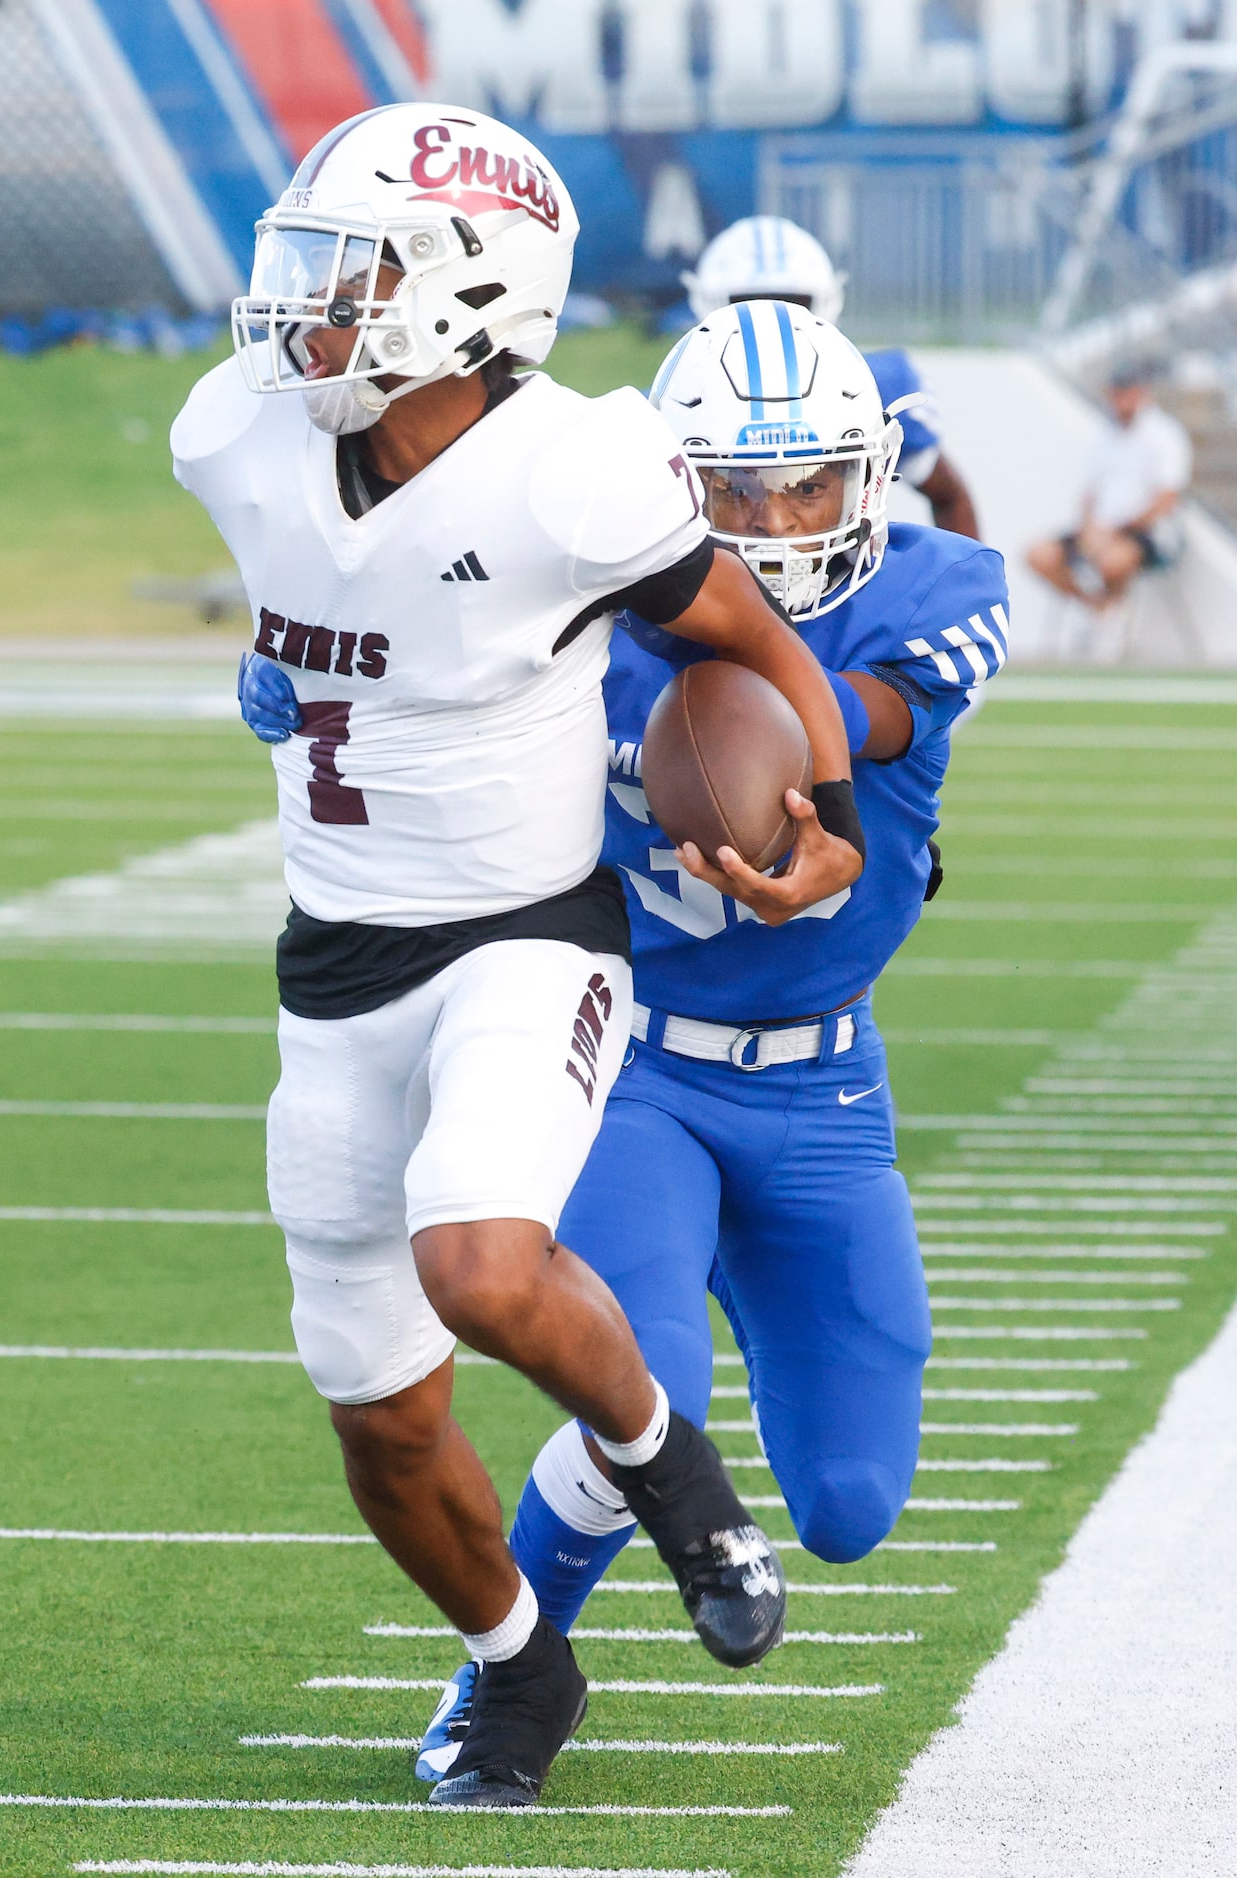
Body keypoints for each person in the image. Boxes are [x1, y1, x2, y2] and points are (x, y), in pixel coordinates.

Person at [172, 107, 864, 1810]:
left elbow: (742, 627)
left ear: (467, 295)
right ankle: (516, 1664)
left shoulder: (573, 468)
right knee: (383, 1426)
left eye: (350, 276)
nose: (301, 313)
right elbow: (335, 589)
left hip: (527, 933)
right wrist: (281, 665)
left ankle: (667, 1465)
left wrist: (827, 803)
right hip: (333, 957)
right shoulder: (237, 435)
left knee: (481, 1263)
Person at [416, 297, 1009, 1783]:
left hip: (825, 1085)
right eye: (732, 487)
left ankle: (745, 1269)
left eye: (806, 479)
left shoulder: (934, 591)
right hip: (639, 1067)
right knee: (643, 1401)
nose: (771, 516)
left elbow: (850, 710)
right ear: (674, 487)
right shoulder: (576, 607)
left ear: (869, 475)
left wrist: (777, 750)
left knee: (854, 1503)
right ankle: (504, 1682)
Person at [683, 215, 980, 541]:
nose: (771, 321)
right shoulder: (678, 404)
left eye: (792, 304)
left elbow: (949, 496)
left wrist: (965, 585)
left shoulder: (870, 390)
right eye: (747, 305)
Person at [1027, 364, 1191, 612]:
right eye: (1117, 392)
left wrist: (1118, 529)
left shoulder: (1164, 433)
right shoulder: (1104, 434)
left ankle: (1110, 609)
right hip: (1101, 530)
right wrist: (1088, 530)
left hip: (1146, 532)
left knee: (1112, 561)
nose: (1121, 398)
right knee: (1038, 555)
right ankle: (1098, 609)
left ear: (1141, 392)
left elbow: (1167, 498)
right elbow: (1091, 494)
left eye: (1127, 391)